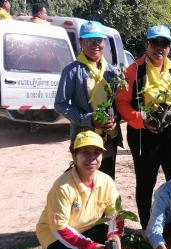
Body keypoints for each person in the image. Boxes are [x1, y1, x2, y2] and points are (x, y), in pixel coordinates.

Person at [115, 25, 171, 229]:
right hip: (144, 135)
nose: (159, 47)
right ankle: (148, 227)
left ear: (169, 47)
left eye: (164, 43)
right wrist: (141, 119)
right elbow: (121, 103)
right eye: (154, 42)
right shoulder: (133, 71)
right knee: (146, 183)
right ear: (146, 44)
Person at [36, 131, 124, 249]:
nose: (92, 158)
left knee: (112, 248)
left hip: (87, 228)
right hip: (55, 235)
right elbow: (60, 228)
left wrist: (115, 237)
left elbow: (115, 213)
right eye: (85, 152)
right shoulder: (63, 187)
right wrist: (92, 247)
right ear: (74, 156)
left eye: (96, 152)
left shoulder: (106, 181)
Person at [55, 21, 121, 179]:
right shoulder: (72, 71)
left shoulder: (112, 72)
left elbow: (117, 103)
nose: (95, 45)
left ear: (104, 42)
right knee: (84, 182)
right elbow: (60, 104)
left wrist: (115, 120)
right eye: (90, 40)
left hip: (107, 138)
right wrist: (89, 120)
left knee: (106, 180)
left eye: (99, 40)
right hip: (84, 138)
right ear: (81, 43)